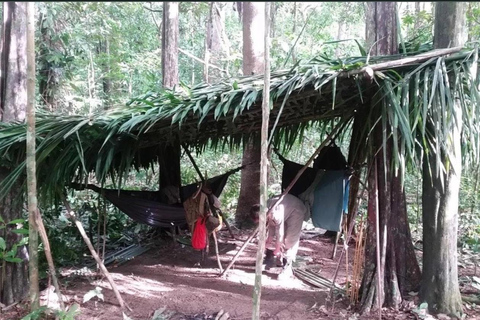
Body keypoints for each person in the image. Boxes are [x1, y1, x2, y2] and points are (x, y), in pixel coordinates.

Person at [250, 193, 307, 280]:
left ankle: (288, 268)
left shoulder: (275, 213)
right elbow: (272, 226)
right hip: (286, 209)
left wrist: (276, 249)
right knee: (280, 240)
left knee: (290, 239)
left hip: (296, 209)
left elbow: (279, 233)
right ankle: (279, 260)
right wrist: (268, 242)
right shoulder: (266, 210)